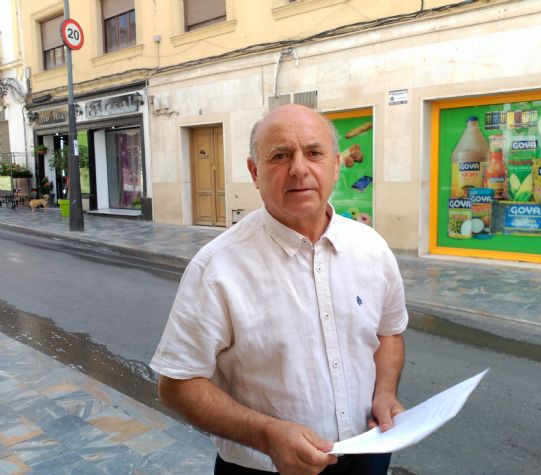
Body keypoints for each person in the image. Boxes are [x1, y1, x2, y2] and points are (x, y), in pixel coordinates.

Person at [150, 104, 408, 474]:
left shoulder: (372, 248)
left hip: (368, 454)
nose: (299, 169)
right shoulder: (217, 268)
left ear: (336, 165)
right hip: (264, 468)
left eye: (314, 153)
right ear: (255, 172)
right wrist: (267, 435)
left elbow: (388, 332)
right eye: (280, 156)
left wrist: (385, 392)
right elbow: (176, 385)